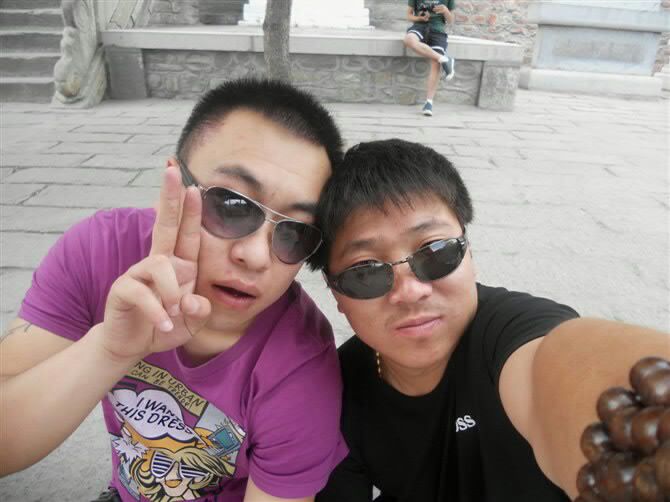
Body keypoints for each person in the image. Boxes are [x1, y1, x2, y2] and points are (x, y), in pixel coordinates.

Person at [0, 79, 349, 502]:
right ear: (173, 183)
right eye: (232, 205)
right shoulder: (99, 252)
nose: (257, 256)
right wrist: (108, 350)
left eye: (295, 232)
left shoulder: (302, 368)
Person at [310, 139, 669, 501]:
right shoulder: (334, 389)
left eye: (435, 251)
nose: (410, 291)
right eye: (365, 272)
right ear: (335, 291)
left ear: (469, 251)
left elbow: (563, 369)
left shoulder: (511, 331)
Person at [404, 0, 456, 117]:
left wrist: (445, 11)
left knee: (435, 62)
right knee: (408, 39)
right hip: (419, 27)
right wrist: (420, 18)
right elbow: (409, 15)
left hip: (438, 31)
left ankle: (429, 103)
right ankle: (444, 59)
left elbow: (451, 20)